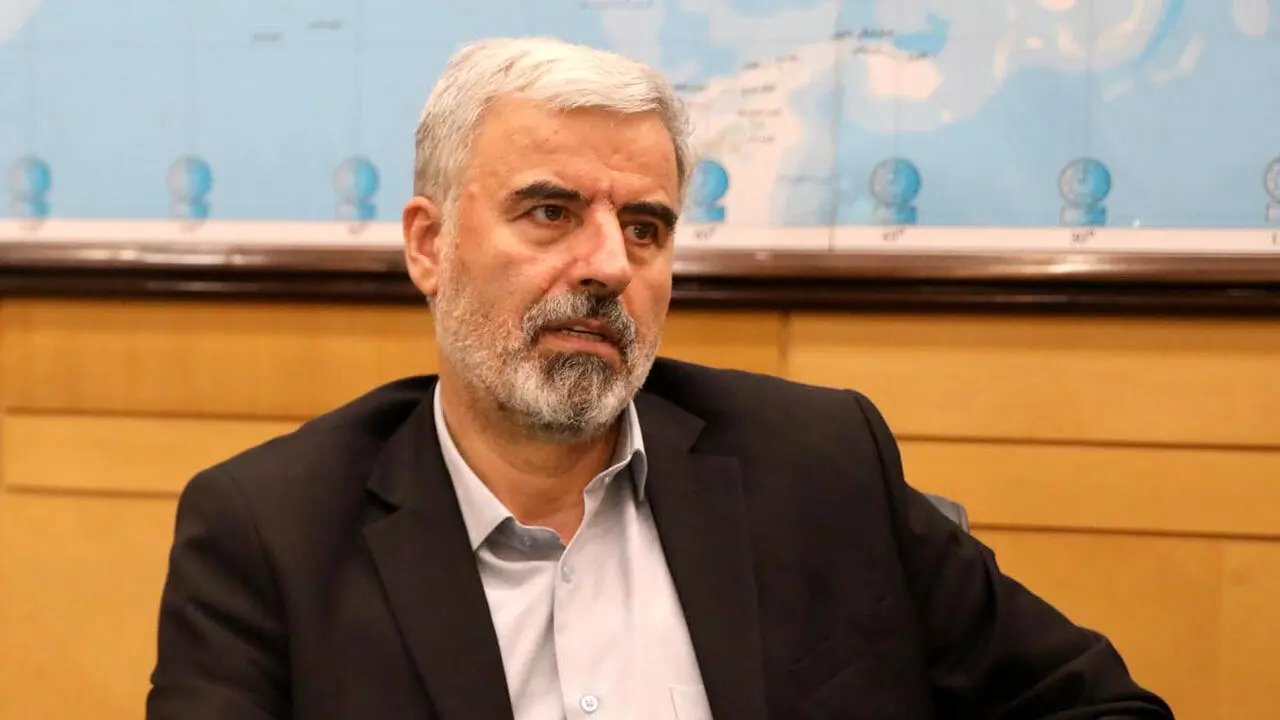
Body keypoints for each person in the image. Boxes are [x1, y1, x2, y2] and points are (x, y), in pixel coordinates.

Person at [146, 36, 1174, 720]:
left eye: (645, 227)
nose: (608, 266)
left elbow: (1099, 708)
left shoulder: (818, 466)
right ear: (428, 245)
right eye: (550, 212)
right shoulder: (269, 533)